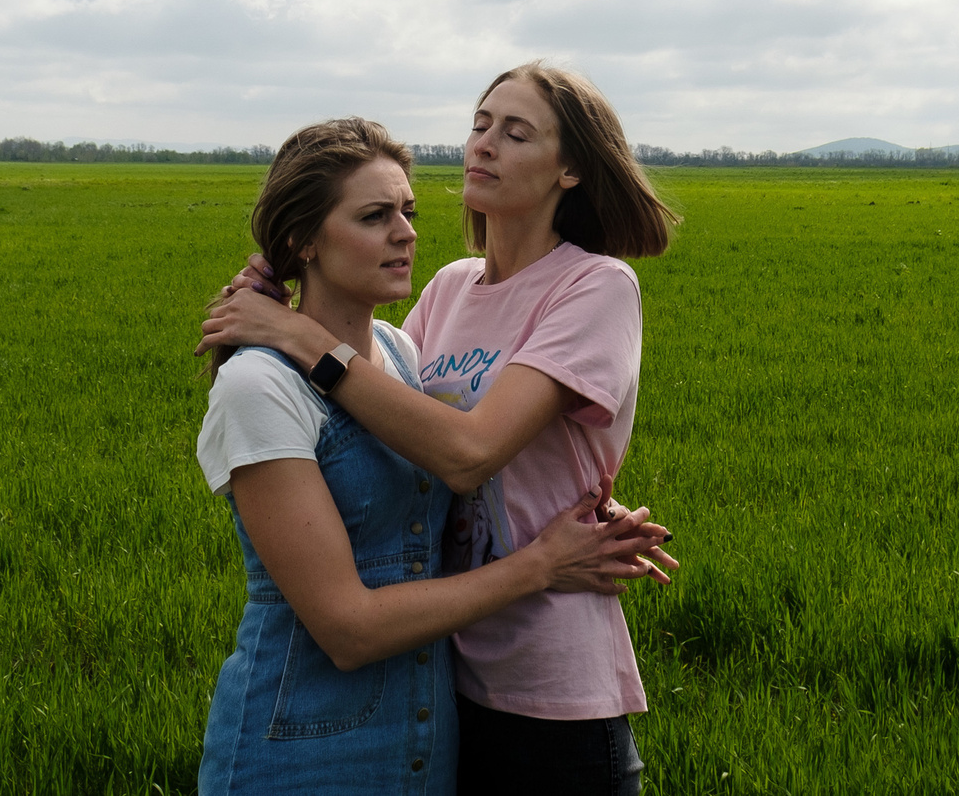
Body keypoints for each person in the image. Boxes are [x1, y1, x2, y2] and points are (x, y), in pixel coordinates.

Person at [200, 65, 679, 796]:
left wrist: (297, 335)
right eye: (480, 124)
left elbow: (468, 451)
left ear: (572, 167)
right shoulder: (448, 290)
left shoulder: (595, 284)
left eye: (515, 133)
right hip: (445, 678)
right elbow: (390, 425)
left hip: (548, 680)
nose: (483, 145)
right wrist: (274, 293)